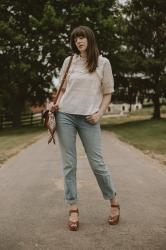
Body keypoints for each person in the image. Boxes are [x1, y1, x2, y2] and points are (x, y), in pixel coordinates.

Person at [51, 25, 120, 231]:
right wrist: (55, 105)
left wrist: (99, 113)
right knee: (69, 164)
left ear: (90, 39)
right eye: (75, 39)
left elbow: (107, 93)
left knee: (97, 163)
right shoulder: (69, 61)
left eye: (82, 37)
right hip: (65, 115)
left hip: (90, 118)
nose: (78, 41)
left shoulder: (103, 62)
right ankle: (73, 208)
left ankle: (114, 201)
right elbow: (62, 89)